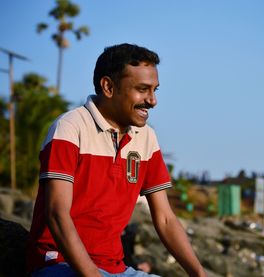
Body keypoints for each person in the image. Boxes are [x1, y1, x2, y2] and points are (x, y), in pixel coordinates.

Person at [26, 43, 207, 277]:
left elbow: (165, 219)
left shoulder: (146, 137)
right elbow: (56, 213)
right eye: (142, 89)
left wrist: (200, 274)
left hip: (117, 269)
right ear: (108, 87)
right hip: (58, 265)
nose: (152, 101)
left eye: (155, 90)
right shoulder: (69, 128)